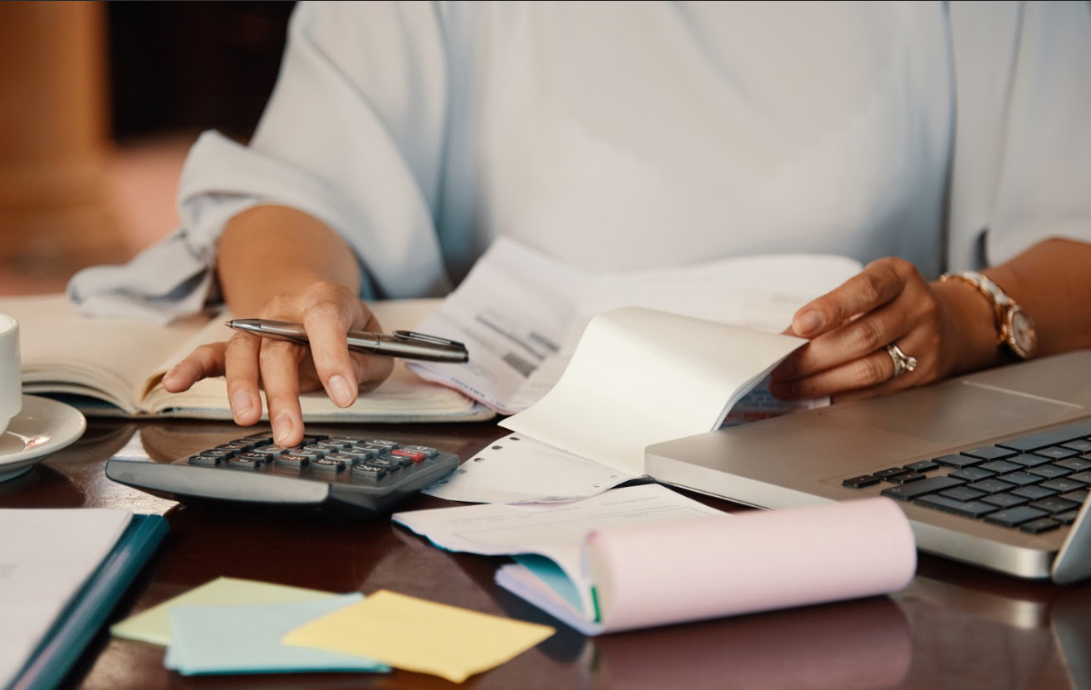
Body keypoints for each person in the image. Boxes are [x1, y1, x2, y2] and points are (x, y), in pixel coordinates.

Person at [70, 1, 1091, 449]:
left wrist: (962, 318)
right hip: (516, 469)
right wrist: (299, 292)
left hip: (861, 463)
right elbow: (293, 188)